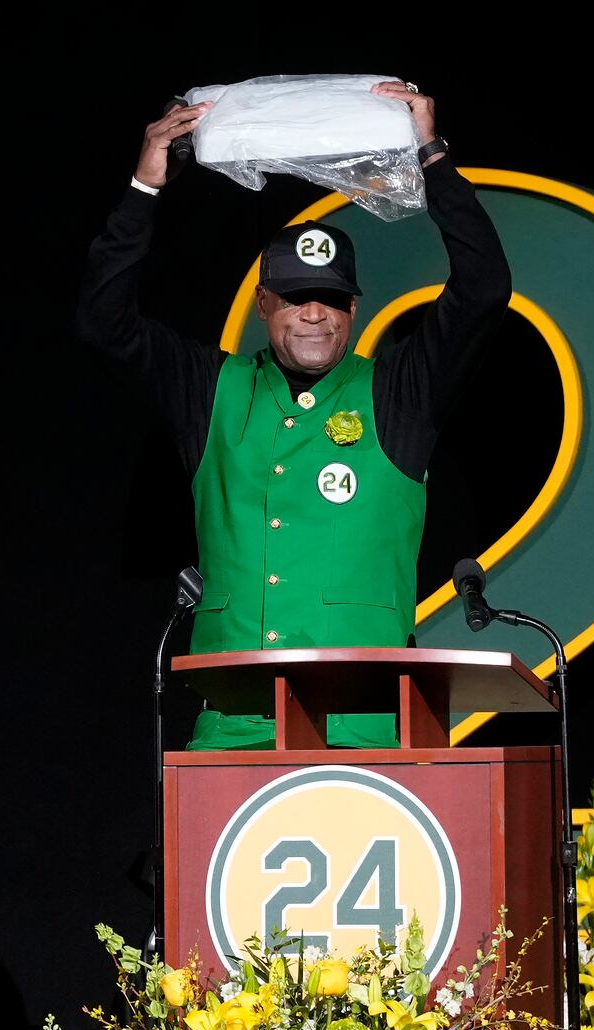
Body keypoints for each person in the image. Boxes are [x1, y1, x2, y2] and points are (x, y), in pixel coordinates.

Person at [77, 82, 511, 750]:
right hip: (233, 721)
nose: (315, 312)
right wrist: (144, 187)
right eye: (297, 296)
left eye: (332, 298)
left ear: (354, 310)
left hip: (365, 726)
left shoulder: (398, 391)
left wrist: (430, 154)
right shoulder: (213, 388)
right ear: (262, 305)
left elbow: (482, 287)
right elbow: (103, 323)